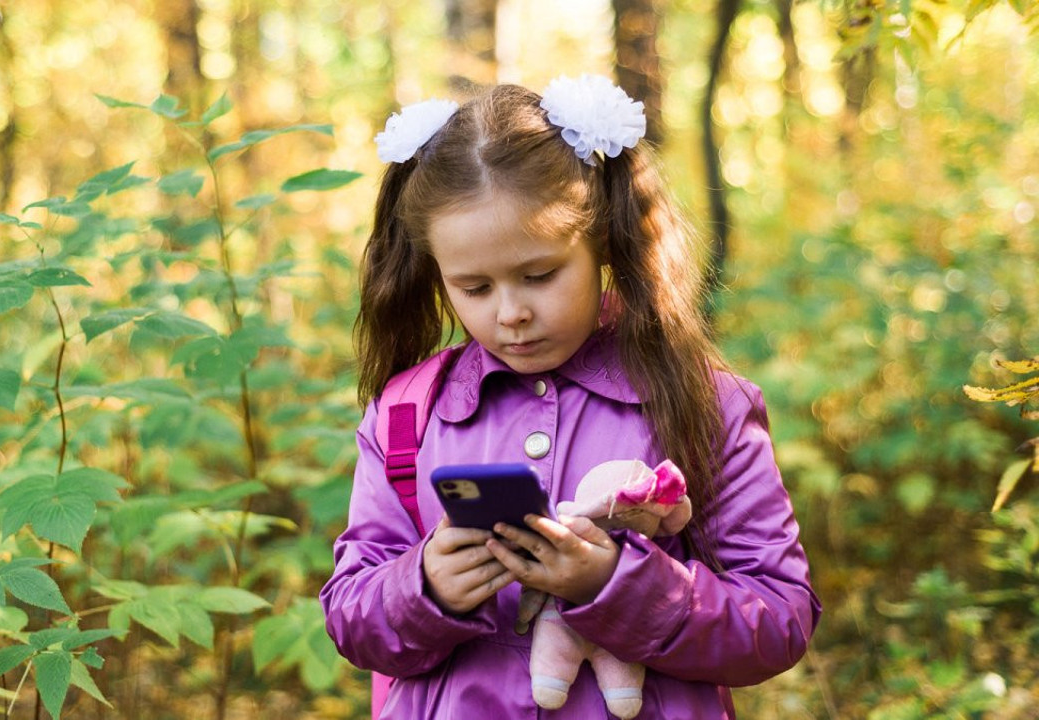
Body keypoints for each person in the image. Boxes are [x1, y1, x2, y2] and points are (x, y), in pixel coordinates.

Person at [320, 75, 821, 719]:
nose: (511, 313)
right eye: (473, 288)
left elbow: (778, 617)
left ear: (603, 243)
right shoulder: (407, 414)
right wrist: (424, 588)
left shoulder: (704, 403)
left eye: (540, 275)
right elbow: (349, 613)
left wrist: (616, 586)